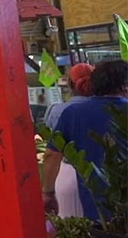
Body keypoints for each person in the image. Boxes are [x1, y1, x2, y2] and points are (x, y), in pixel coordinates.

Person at [42, 61, 126, 221]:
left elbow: (51, 155)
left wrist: (48, 193)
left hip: (95, 207)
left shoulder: (72, 113)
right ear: (125, 85)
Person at [41, 63, 94, 217]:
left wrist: (47, 191)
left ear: (70, 85)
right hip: (100, 178)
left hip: (68, 176)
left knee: (73, 231)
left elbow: (52, 153)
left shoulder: (57, 110)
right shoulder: (107, 108)